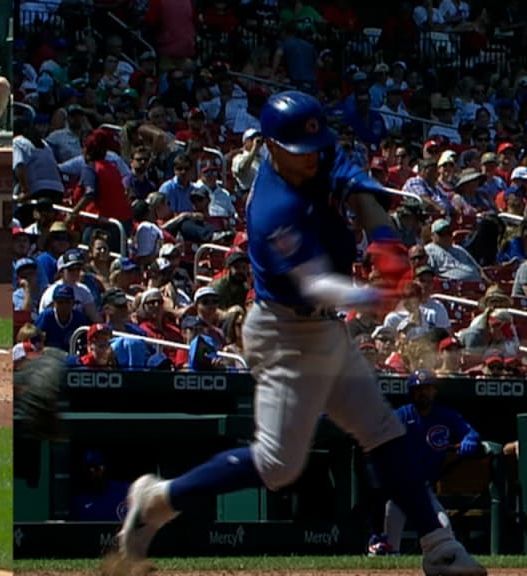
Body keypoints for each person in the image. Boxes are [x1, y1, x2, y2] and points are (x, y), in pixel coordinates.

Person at [109, 91, 486, 576]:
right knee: (279, 466)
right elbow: (315, 284)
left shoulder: (316, 151)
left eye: (315, 149)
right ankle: (157, 500)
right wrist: (372, 297)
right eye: (299, 152)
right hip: (285, 332)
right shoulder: (272, 209)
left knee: (383, 432)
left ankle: (440, 547)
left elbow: (360, 194)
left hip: (324, 331)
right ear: (270, 146)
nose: (312, 159)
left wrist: (387, 242)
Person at [368, 370, 481, 556]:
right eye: (419, 389)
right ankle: (383, 557)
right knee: (390, 535)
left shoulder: (446, 416)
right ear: (411, 393)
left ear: (434, 391)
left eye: (427, 388)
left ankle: (440, 562)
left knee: (444, 529)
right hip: (399, 489)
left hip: (423, 488)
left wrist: (470, 439)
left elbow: (470, 432)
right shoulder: (402, 415)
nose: (423, 393)